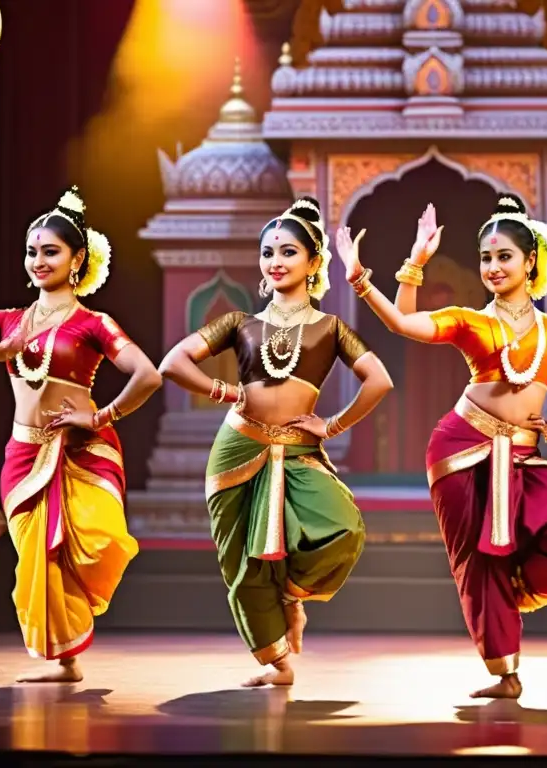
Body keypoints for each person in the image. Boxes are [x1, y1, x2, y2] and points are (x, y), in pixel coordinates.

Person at [335, 194, 547, 699]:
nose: (492, 267)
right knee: (479, 559)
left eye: (504, 256)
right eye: (486, 258)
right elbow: (404, 322)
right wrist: (394, 268)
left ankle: (509, 594)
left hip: (522, 454)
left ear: (530, 261)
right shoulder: (472, 321)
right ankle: (506, 673)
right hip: (460, 448)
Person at [0, 187, 161, 682]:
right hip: (23, 454)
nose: (37, 260)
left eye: (50, 251)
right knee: (37, 557)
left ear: (77, 260)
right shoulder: (7, 321)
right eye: (32, 251)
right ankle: (64, 660)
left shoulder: (93, 324)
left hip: (80, 452)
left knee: (96, 542)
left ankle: (68, 652)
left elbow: (148, 375)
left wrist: (99, 418)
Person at [158, 196, 392, 687]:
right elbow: (174, 362)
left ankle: (291, 596)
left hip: (300, 449)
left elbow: (379, 380)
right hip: (237, 449)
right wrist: (224, 390)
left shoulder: (331, 329)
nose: (276, 261)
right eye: (267, 252)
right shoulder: (239, 323)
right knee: (242, 562)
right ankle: (277, 663)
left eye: (288, 251)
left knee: (342, 529)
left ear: (313, 263)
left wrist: (332, 426)